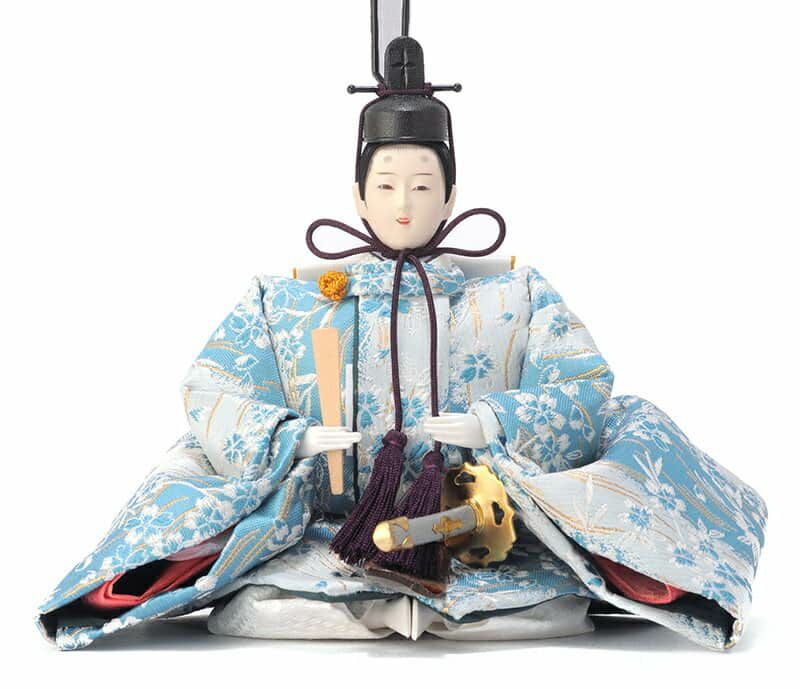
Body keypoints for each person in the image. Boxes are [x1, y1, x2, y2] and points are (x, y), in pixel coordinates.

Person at [36, 35, 766, 651]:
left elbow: (585, 385)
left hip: (483, 528)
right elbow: (210, 392)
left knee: (627, 443)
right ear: (357, 196)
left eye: (422, 186)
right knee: (228, 535)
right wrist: (289, 437)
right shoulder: (285, 299)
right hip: (325, 530)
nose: (405, 205)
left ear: (451, 195)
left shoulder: (514, 293)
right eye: (386, 186)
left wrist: (496, 422)